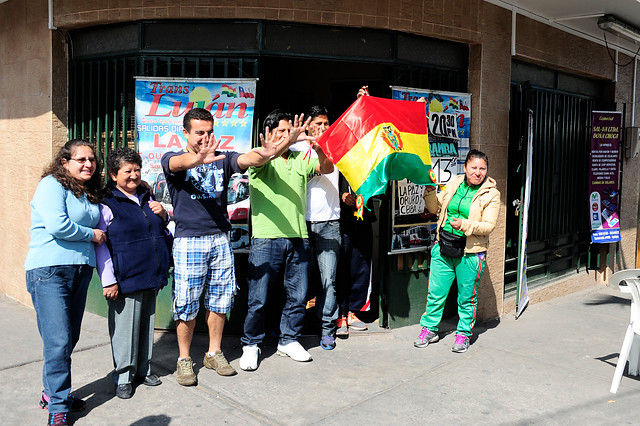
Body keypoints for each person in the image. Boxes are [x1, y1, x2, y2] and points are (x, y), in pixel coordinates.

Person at [161, 107, 287, 386]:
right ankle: (184, 359)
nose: (205, 137)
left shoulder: (222, 158)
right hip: (189, 240)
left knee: (220, 299)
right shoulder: (172, 157)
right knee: (186, 304)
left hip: (219, 238)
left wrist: (268, 153)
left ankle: (213, 353)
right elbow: (177, 164)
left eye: (209, 132)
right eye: (199, 133)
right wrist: (198, 158)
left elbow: (247, 158)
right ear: (185, 133)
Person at [240, 109, 334, 371]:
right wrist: (290, 140)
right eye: (280, 131)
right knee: (259, 298)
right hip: (266, 238)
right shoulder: (261, 156)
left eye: (288, 131)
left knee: (298, 295)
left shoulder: (300, 157)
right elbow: (260, 159)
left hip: (298, 236)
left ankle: (288, 340)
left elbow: (326, 167)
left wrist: (320, 147)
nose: (287, 135)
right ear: (268, 133)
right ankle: (251, 343)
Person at [25, 139, 106, 426]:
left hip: (80, 270)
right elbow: (58, 225)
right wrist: (91, 235)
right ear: (64, 162)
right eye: (81, 159)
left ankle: (51, 393)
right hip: (49, 270)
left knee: (69, 338)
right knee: (58, 342)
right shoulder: (52, 185)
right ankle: (58, 407)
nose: (88, 164)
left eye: (92, 160)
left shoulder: (86, 192)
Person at [96, 147, 171, 399]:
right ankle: (124, 376)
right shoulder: (106, 204)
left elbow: (159, 231)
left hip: (151, 273)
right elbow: (101, 247)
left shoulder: (147, 197)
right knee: (125, 329)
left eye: (137, 170)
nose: (134, 175)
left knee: (146, 325)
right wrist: (109, 280)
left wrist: (163, 216)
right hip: (125, 278)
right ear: (114, 175)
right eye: (127, 171)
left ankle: (143, 369)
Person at [414, 149, 500, 353]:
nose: (478, 172)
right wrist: (429, 191)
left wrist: (466, 225)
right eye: (474, 168)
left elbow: (489, 225)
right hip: (444, 248)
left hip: (470, 253)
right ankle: (429, 329)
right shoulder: (454, 184)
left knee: (466, 298)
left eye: (482, 168)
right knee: (435, 294)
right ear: (465, 167)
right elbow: (435, 208)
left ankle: (463, 334)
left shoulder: (492, 194)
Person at [291, 106, 341, 350]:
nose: (323, 128)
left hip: (330, 223)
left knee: (328, 280)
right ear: (308, 125)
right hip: (299, 222)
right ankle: (293, 332)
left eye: (326, 123)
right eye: (318, 124)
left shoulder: (336, 145)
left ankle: (327, 329)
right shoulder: (294, 149)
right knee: (297, 280)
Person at [335, 175, 376, 336]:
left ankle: (352, 311)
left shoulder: (369, 157)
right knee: (339, 268)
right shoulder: (334, 156)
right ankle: (339, 313)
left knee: (360, 267)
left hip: (363, 219)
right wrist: (341, 195)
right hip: (338, 219)